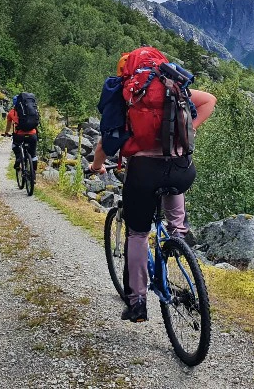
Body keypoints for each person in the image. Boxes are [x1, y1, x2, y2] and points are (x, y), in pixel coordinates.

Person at [89, 57, 216, 323]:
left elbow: (105, 142)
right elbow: (209, 101)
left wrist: (96, 166)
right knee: (175, 218)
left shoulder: (127, 93)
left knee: (137, 234)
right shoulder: (172, 86)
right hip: (181, 167)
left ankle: (137, 303)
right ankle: (177, 243)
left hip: (144, 172)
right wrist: (187, 131)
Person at [3, 93, 39, 174]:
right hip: (32, 134)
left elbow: (8, 126)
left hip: (19, 135)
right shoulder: (31, 110)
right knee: (33, 154)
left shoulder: (12, 112)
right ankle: (34, 173)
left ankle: (18, 158)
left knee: (15, 145)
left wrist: (6, 133)